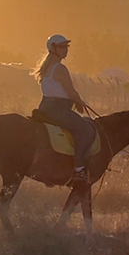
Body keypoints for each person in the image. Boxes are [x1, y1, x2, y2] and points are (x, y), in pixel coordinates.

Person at [33, 34, 96, 185]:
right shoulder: (60, 68)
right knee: (86, 130)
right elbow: (71, 91)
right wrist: (80, 102)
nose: (66, 49)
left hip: (45, 108)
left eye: (67, 46)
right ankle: (79, 169)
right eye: (62, 47)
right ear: (53, 49)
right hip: (58, 110)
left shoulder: (46, 67)